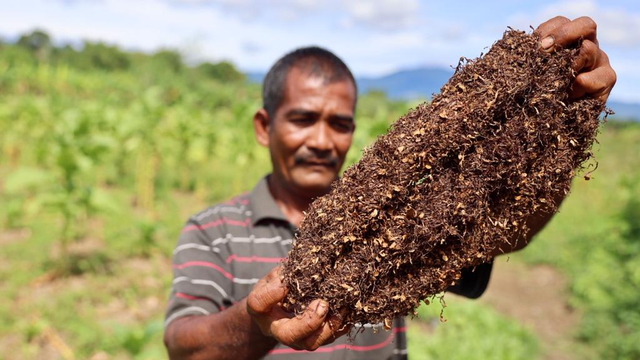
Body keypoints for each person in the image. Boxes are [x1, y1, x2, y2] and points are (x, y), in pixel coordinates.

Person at [163, 16, 616, 360]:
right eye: (302, 119)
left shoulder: (402, 218)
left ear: (354, 130)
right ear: (265, 126)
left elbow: (500, 231)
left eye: (339, 124)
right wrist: (256, 323)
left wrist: (561, 143)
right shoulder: (213, 230)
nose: (321, 141)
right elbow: (183, 347)